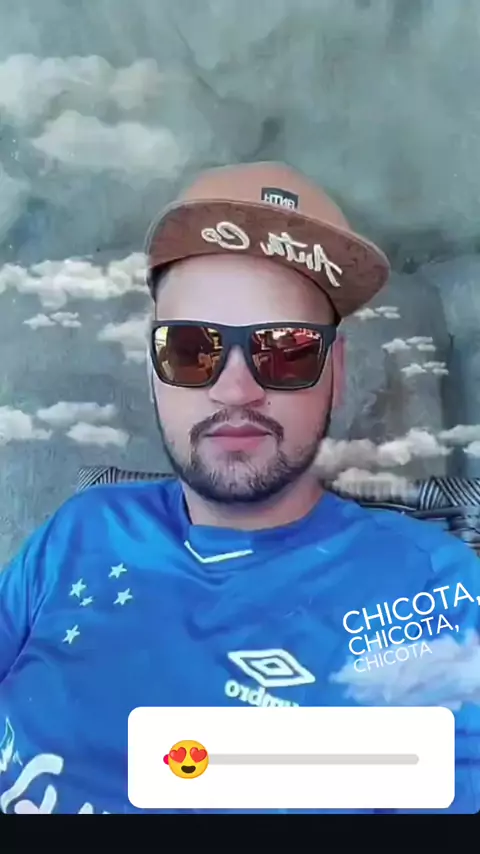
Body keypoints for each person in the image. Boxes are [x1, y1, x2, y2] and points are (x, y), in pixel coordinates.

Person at [0, 161, 478, 815]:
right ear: (153, 369)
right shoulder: (80, 529)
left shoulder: (434, 597)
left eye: (286, 350)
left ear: (335, 373)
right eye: (191, 348)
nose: (236, 388)